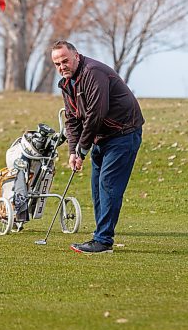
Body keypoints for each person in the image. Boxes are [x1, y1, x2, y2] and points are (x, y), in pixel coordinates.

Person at [51, 40, 144, 254]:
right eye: (57, 63)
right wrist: (73, 151)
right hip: (101, 138)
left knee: (108, 185)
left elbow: (96, 114)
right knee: (97, 189)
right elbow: (72, 120)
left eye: (65, 60)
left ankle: (103, 241)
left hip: (123, 133)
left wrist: (82, 150)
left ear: (76, 55)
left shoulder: (93, 72)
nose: (62, 66)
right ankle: (100, 236)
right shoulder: (67, 83)